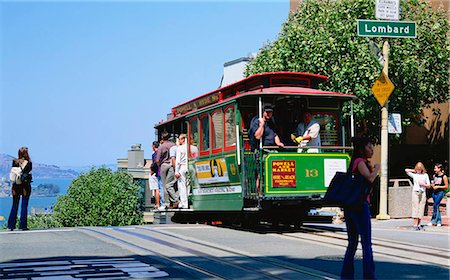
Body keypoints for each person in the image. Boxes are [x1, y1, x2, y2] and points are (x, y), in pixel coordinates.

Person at [341, 137, 379, 280]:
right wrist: (376, 169)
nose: (372, 150)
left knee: (352, 243)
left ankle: (346, 275)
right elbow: (369, 178)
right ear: (362, 149)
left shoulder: (354, 162)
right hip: (359, 206)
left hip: (350, 206)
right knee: (366, 244)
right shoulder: (360, 162)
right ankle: (369, 276)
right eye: (369, 147)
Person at [8, 147, 33, 231]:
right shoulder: (29, 163)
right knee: (24, 205)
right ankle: (23, 225)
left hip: (15, 186)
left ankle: (11, 225)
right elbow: (28, 173)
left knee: (14, 205)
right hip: (25, 186)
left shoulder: (15, 161)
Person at [405, 162, 431, 230]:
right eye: (418, 168)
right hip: (415, 192)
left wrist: (423, 184)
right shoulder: (415, 175)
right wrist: (415, 170)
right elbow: (406, 170)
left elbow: (429, 185)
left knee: (421, 208)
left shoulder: (425, 175)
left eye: (420, 168)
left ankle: (419, 224)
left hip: (422, 192)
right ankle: (414, 224)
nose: (419, 170)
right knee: (415, 207)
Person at [175, 134, 189, 209]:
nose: (179, 140)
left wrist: (176, 171)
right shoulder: (191, 147)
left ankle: (184, 204)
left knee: (182, 186)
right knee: (188, 186)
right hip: (189, 167)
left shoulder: (180, 148)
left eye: (179, 139)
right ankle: (188, 201)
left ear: (183, 139)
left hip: (182, 167)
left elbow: (177, 161)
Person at [166, 137, 180, 208]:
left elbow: (173, 159)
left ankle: (175, 200)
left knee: (168, 185)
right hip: (183, 167)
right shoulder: (184, 148)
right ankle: (176, 200)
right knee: (179, 185)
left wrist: (175, 170)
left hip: (174, 168)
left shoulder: (173, 148)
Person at [151, 141, 164, 210]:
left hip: (158, 172)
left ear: (153, 146)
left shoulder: (155, 154)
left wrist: (152, 172)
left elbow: (154, 164)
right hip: (164, 172)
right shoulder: (161, 152)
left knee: (158, 188)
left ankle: (160, 203)